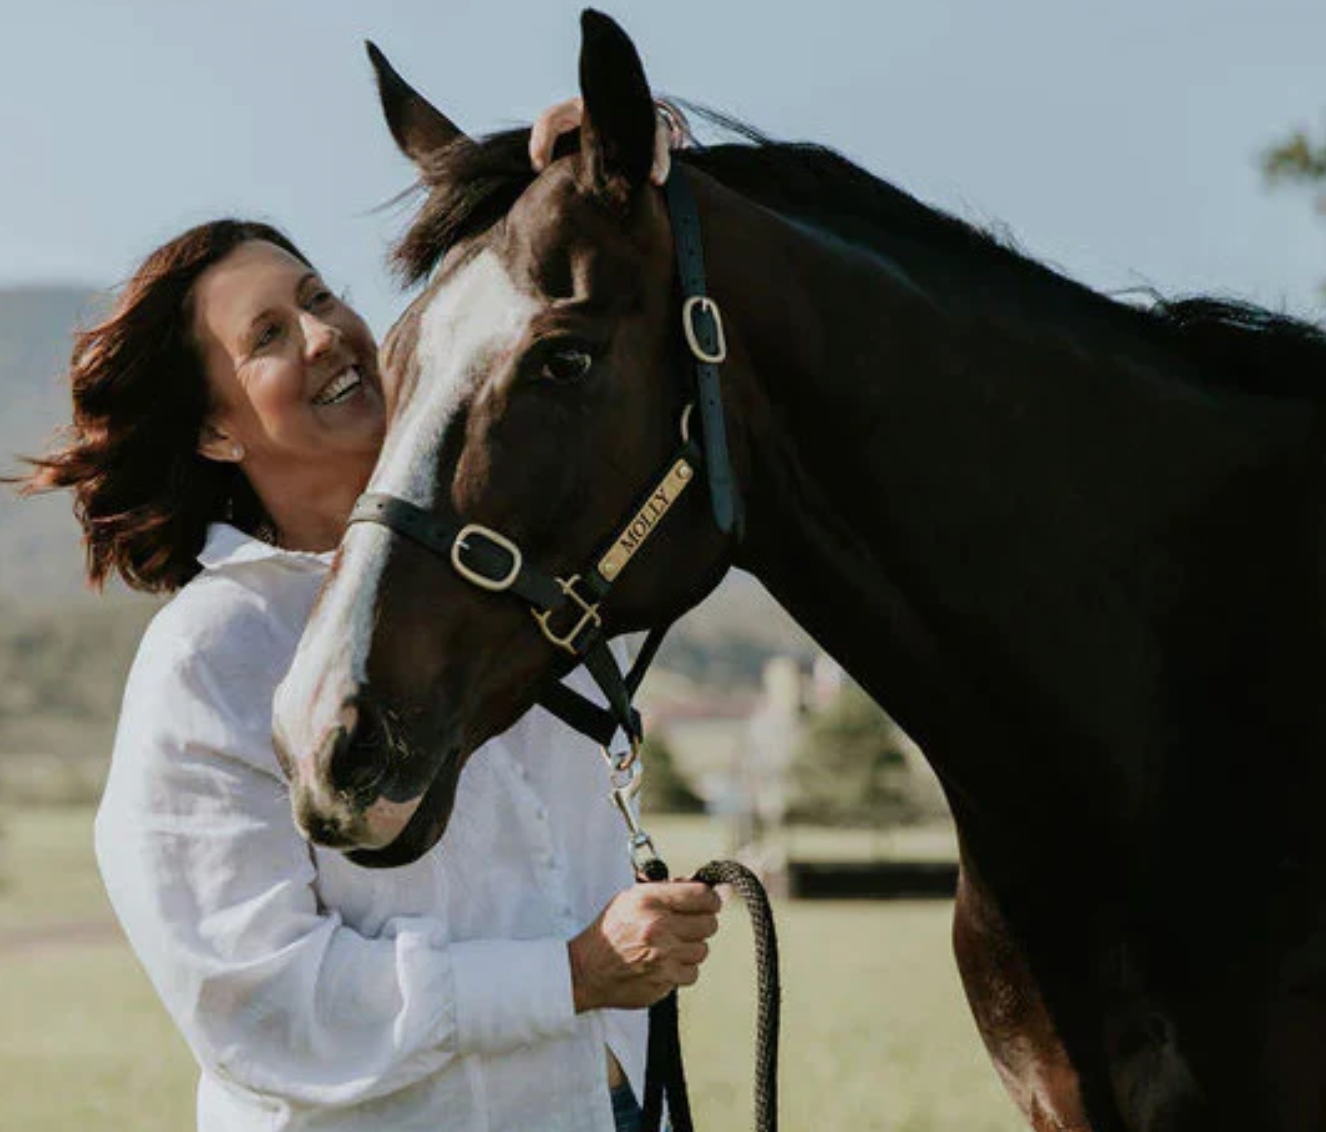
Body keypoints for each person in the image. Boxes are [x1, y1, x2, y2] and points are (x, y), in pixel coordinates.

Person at [20, 101, 716, 1132]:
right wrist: (569, 975)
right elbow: (259, 1006)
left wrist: (632, 146)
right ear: (216, 432)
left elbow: (634, 303)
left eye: (318, 296)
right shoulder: (211, 655)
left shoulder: (512, 563)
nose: (322, 333)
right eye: (267, 336)